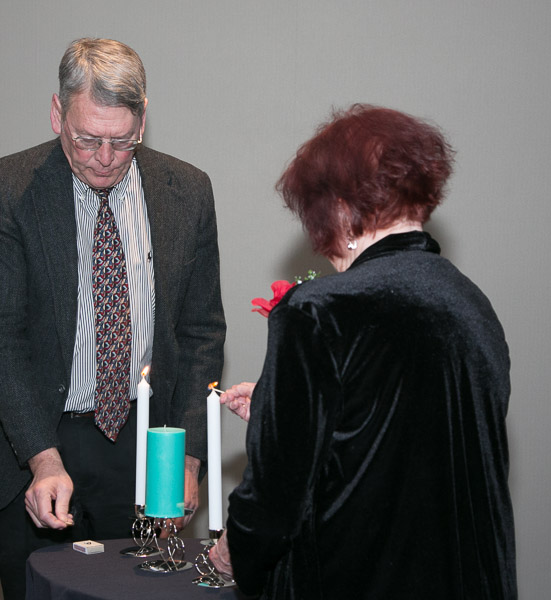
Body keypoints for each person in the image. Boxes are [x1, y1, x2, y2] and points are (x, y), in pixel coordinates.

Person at [0, 38, 225, 599]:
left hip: (143, 446)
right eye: (87, 139)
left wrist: (188, 456)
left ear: (142, 120)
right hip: (33, 439)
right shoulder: (9, 188)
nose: (104, 156)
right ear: (58, 114)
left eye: (122, 141)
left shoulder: (187, 191)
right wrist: (42, 459)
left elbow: (201, 332)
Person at [210, 105, 516, 599]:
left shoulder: (319, 310)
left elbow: (276, 500)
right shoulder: (472, 306)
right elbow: (408, 435)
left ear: (338, 209)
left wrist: (233, 551)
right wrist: (277, 406)